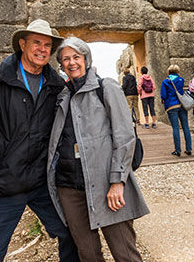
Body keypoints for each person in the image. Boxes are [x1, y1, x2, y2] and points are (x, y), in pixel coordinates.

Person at [0, 19, 79, 262]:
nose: (42, 49)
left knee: (74, 232)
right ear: (22, 44)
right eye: (36, 43)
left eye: (47, 45)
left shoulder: (55, 85)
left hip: (41, 184)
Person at [47, 37, 149, 262]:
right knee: (88, 255)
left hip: (105, 184)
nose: (72, 63)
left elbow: (125, 136)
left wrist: (117, 182)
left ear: (86, 58)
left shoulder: (107, 87)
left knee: (124, 252)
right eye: (66, 59)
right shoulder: (62, 97)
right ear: (61, 65)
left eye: (76, 57)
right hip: (70, 188)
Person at [160, 64, 192, 156]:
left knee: (176, 128)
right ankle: (188, 149)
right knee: (186, 127)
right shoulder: (181, 80)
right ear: (178, 71)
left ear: (169, 72)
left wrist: (164, 100)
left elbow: (164, 95)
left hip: (171, 106)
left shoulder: (165, 81)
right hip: (182, 105)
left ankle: (178, 150)